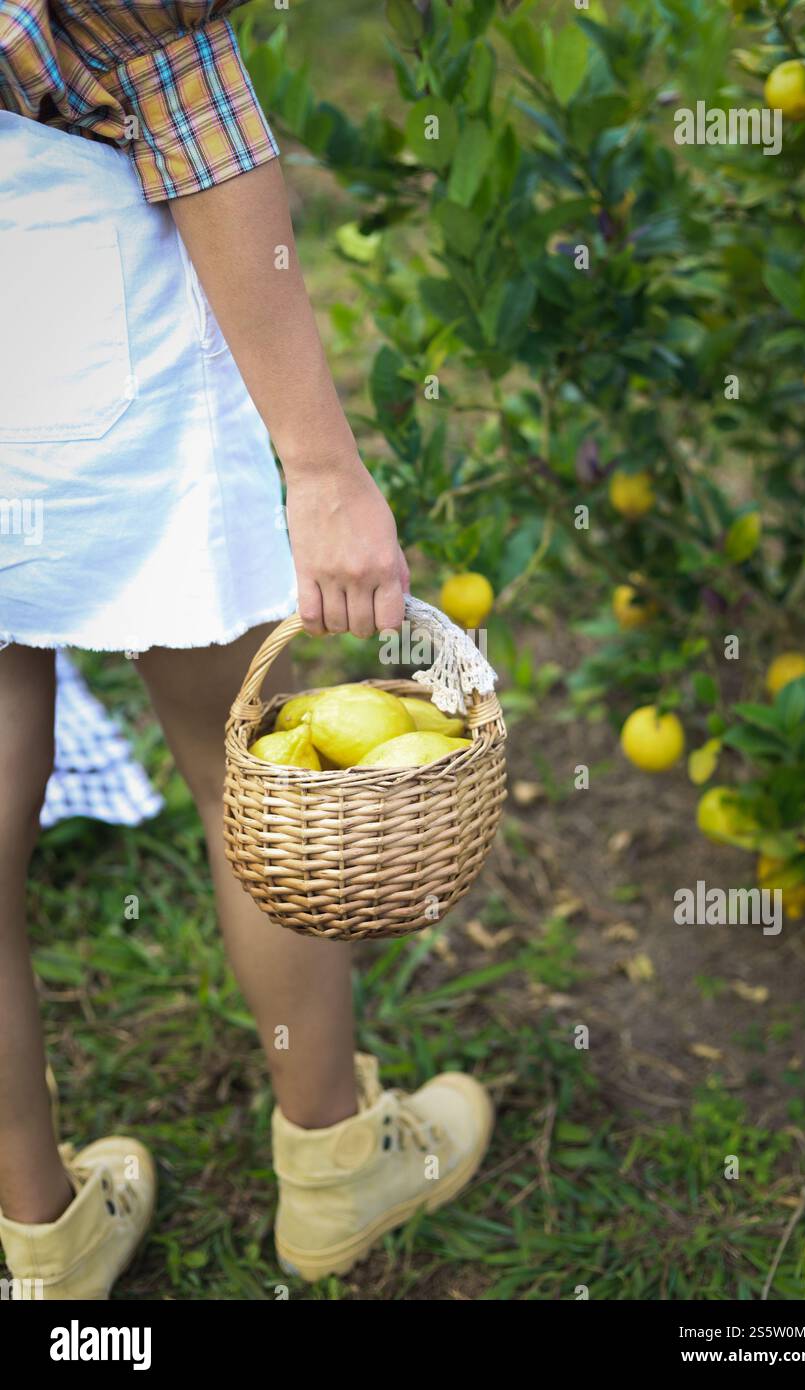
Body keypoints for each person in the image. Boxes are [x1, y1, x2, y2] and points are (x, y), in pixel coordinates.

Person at [0, 0, 492, 1298]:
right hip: (55, 296)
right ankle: (336, 1166)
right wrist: (323, 467)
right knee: (245, 763)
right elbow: (190, 110)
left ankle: (39, 1234)